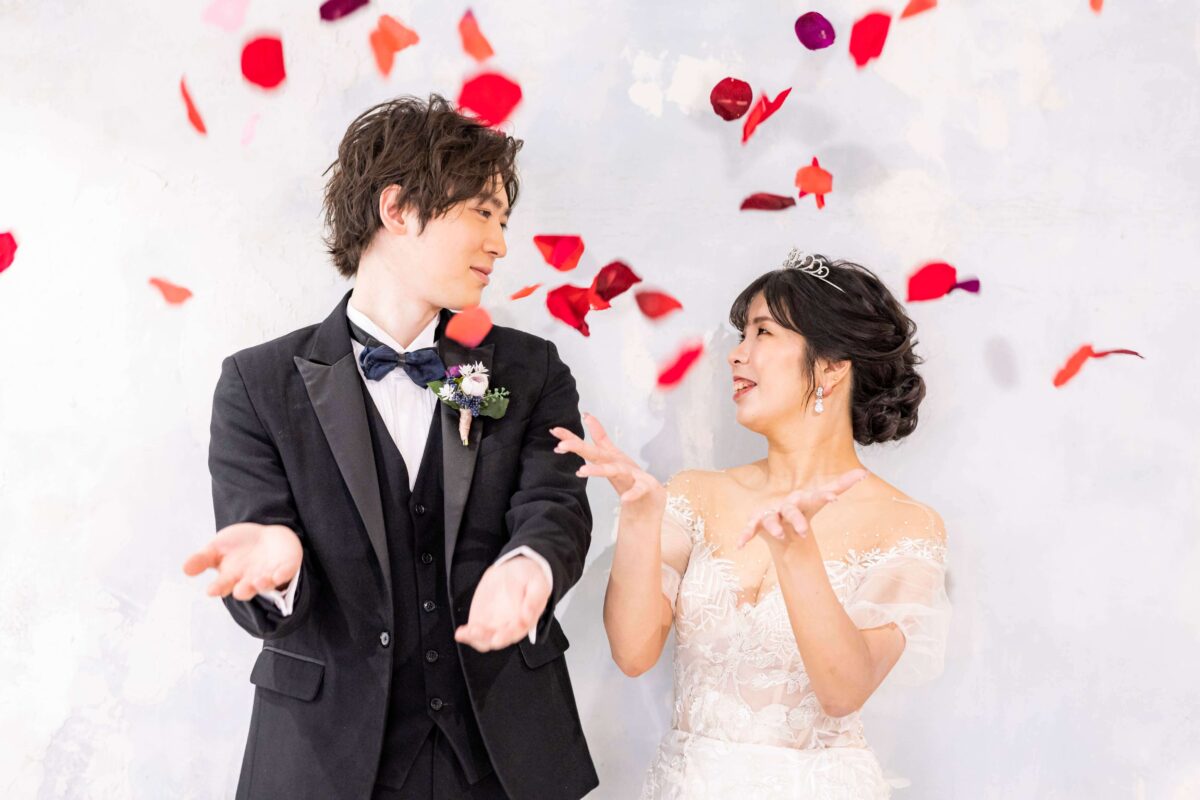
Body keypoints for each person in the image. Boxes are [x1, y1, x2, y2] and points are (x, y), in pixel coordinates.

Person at [182, 94, 598, 800]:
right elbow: (257, 548)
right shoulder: (257, 384)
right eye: (483, 213)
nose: (500, 243)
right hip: (325, 762)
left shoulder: (529, 369)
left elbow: (555, 503)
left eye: (503, 221)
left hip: (502, 755)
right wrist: (278, 566)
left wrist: (529, 566)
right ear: (398, 209)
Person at [551, 251, 951, 798]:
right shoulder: (694, 493)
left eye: (763, 333)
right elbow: (633, 652)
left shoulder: (905, 525)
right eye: (742, 336)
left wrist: (797, 555)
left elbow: (843, 691)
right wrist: (641, 519)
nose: (736, 354)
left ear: (832, 366)